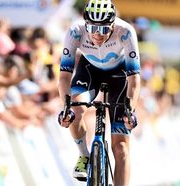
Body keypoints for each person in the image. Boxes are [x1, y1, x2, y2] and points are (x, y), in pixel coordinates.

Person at [57, 0, 141, 185]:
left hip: (119, 76)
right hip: (89, 72)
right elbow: (64, 77)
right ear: (85, 23)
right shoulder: (75, 31)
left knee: (121, 149)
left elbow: (134, 79)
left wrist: (130, 110)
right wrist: (66, 108)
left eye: (103, 29)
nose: (97, 34)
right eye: (92, 28)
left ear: (113, 24)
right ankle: (84, 156)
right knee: (75, 112)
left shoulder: (126, 32)